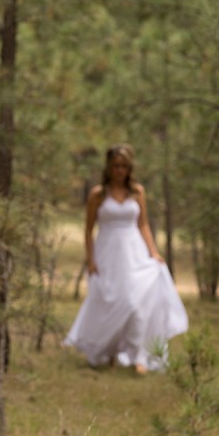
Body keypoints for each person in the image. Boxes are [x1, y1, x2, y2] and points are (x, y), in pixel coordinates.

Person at [63, 145, 188, 374]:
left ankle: (138, 355)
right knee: (110, 301)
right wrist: (90, 260)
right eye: (115, 166)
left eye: (123, 166)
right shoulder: (98, 195)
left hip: (134, 253)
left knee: (136, 303)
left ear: (129, 168)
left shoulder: (137, 192)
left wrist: (153, 251)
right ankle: (109, 351)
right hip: (108, 253)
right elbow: (88, 230)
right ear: (109, 168)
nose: (119, 170)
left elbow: (143, 224)